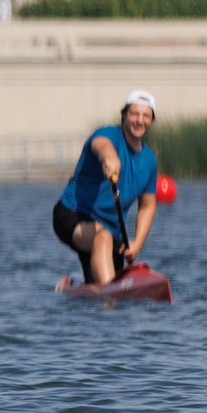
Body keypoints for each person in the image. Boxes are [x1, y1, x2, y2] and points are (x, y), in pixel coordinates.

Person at [54, 90, 159, 286]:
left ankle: (81, 285)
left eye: (146, 116)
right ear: (124, 116)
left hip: (112, 231)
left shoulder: (149, 160)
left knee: (102, 265)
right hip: (72, 213)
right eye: (134, 114)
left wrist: (136, 244)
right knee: (102, 237)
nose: (139, 120)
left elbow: (147, 206)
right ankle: (109, 296)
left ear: (151, 120)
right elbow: (101, 145)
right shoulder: (109, 134)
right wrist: (110, 159)